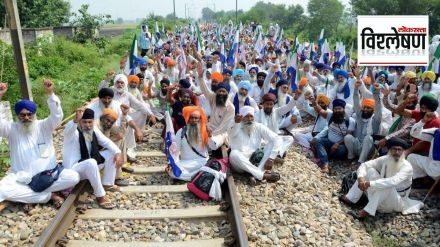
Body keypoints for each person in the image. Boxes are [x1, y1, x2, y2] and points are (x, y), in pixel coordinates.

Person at [0, 81, 79, 209]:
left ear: (34, 114)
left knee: (73, 177)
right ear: (17, 116)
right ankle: (49, 196)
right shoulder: (11, 129)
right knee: (2, 190)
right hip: (22, 180)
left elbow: (57, 116)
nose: (26, 117)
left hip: (48, 177)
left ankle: (30, 197)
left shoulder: (44, 126)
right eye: (22, 115)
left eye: (29, 114)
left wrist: (50, 93)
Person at [340, 138, 423, 220]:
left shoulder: (407, 167)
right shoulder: (385, 159)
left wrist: (369, 184)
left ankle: (364, 212)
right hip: (380, 197)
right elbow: (365, 165)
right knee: (369, 170)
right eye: (394, 149)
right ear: (389, 150)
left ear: (403, 151)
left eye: (399, 150)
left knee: (388, 185)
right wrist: (361, 178)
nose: (397, 152)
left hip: (397, 202)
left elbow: (393, 181)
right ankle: (350, 198)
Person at [63, 108, 123, 209]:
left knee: (111, 153)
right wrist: (75, 120)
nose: (87, 125)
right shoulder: (73, 131)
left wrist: (118, 153)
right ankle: (100, 196)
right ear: (80, 122)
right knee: (91, 162)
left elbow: (106, 142)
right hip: (74, 169)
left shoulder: (93, 129)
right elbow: (67, 131)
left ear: (93, 121)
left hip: (90, 164)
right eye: (84, 122)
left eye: (90, 122)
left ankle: (107, 184)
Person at [229, 106, 281, 183]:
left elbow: (277, 138)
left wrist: (271, 158)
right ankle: (262, 175)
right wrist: (236, 123)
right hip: (240, 163)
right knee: (233, 154)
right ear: (242, 117)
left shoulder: (258, 126)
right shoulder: (235, 125)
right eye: (246, 116)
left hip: (256, 160)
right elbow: (231, 134)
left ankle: (253, 174)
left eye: (251, 116)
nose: (249, 119)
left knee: (271, 143)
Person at [197, 62, 235, 151]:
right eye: (219, 91)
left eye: (223, 92)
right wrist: (200, 77)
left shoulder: (231, 108)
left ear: (227, 93)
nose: (221, 93)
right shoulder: (214, 98)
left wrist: (210, 134)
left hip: (221, 134)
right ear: (217, 92)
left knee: (213, 142)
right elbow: (205, 90)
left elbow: (223, 127)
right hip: (209, 128)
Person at [311, 99, 356, 173]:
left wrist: (337, 143)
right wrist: (314, 103)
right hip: (328, 142)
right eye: (335, 109)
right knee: (318, 140)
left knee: (342, 150)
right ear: (333, 109)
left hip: (340, 146)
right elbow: (320, 111)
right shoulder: (330, 116)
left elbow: (348, 136)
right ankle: (325, 164)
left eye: (339, 109)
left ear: (343, 109)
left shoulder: (350, 121)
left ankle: (325, 155)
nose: (337, 110)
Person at [344, 82, 382, 165]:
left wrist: (376, 93)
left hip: (368, 150)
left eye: (368, 108)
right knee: (348, 137)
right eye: (364, 107)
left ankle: (360, 162)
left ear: (373, 110)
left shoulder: (376, 120)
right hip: (356, 145)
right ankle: (351, 157)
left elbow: (378, 106)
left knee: (368, 138)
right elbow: (356, 102)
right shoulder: (359, 116)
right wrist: (356, 89)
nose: (365, 109)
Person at [168, 106, 209, 181]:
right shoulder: (181, 131)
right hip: (186, 163)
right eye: (191, 118)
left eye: (196, 118)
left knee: (207, 167)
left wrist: (211, 136)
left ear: (199, 119)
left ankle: (191, 176)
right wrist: (172, 163)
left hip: (201, 161)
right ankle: (197, 176)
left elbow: (213, 147)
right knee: (172, 171)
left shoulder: (205, 131)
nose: (193, 120)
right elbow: (175, 150)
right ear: (188, 118)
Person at [255, 93, 297, 159]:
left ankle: (279, 154)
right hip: (263, 140)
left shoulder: (276, 112)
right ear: (263, 104)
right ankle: (274, 151)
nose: (269, 106)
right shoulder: (257, 114)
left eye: (271, 104)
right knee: (262, 144)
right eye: (267, 104)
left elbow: (288, 107)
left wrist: (295, 97)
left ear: (273, 105)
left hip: (275, 137)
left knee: (290, 138)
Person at [97, 107, 130, 186]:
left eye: (111, 122)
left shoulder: (108, 126)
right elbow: (99, 144)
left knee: (121, 138)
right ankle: (117, 177)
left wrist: (124, 116)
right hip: (96, 153)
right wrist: (113, 139)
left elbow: (121, 132)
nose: (109, 123)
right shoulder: (97, 126)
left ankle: (120, 165)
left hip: (103, 151)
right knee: (114, 148)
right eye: (107, 120)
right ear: (102, 118)